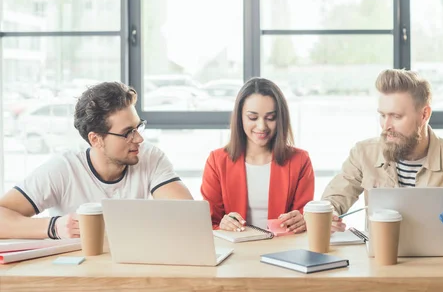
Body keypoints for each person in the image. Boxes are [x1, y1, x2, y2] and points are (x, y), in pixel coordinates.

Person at [0, 81, 193, 240]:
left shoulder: (149, 157)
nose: (139, 139)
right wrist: (53, 227)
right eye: (127, 133)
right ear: (96, 139)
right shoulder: (63, 169)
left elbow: (188, 215)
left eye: (138, 127)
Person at [322, 69, 443, 232]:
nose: (386, 125)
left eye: (396, 116)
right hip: (380, 256)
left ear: (424, 115)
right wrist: (329, 213)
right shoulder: (363, 153)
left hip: (440, 257)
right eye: (382, 115)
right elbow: (333, 199)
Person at [201, 78, 315, 233]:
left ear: (280, 118)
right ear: (240, 117)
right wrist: (224, 225)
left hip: (283, 251)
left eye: (270, 118)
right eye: (252, 117)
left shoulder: (300, 161)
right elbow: (209, 223)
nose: (262, 126)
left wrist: (303, 221)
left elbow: (306, 218)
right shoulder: (217, 161)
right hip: (236, 251)